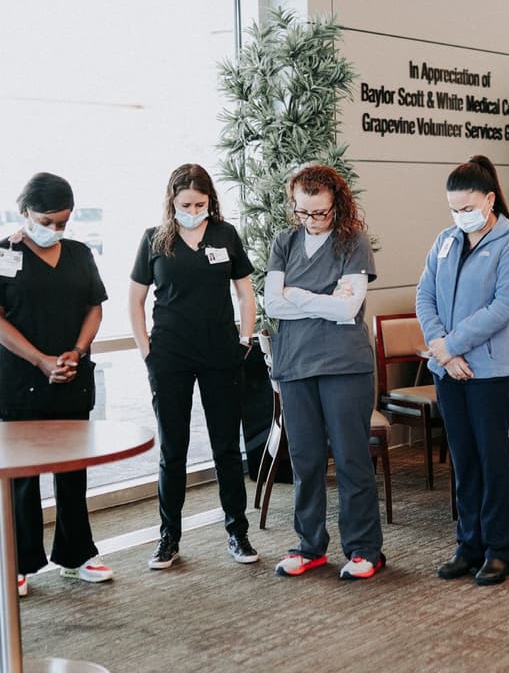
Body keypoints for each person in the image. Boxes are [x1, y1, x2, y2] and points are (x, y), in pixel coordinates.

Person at [0, 172, 113, 596]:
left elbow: (94, 308)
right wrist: (40, 360)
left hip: (70, 376)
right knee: (22, 478)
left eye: (62, 223)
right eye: (46, 221)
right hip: (20, 381)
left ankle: (77, 554)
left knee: (72, 472)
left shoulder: (81, 254)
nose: (54, 230)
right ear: (25, 212)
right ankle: (19, 562)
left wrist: (77, 351)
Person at [129, 163, 259, 569]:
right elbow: (133, 301)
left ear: (210, 201)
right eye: (185, 203)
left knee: (225, 446)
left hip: (221, 352)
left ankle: (237, 532)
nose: (192, 209)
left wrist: (244, 338)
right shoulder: (155, 239)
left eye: (200, 203)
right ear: (172, 201)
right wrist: (147, 353)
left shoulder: (225, 235)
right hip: (169, 355)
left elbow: (245, 293)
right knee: (173, 449)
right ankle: (169, 537)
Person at [263, 164, 384, 580]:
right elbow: (272, 305)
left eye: (320, 213)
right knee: (306, 460)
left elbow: (348, 309)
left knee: (351, 458)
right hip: (294, 363)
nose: (312, 221)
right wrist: (318, 300)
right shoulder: (284, 242)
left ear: (337, 205)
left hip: (344, 365)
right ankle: (309, 545)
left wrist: (295, 294)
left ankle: (365, 549)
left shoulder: (353, 242)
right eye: (303, 212)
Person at [416, 155, 509, 585]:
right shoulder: (445, 240)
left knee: (491, 460)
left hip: (491, 372)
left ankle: (500, 550)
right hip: (449, 371)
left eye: (467, 207)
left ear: (488, 199)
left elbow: (504, 307)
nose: (460, 216)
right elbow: (423, 296)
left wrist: (452, 345)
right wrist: (443, 352)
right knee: (464, 462)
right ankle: (469, 545)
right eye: (453, 208)